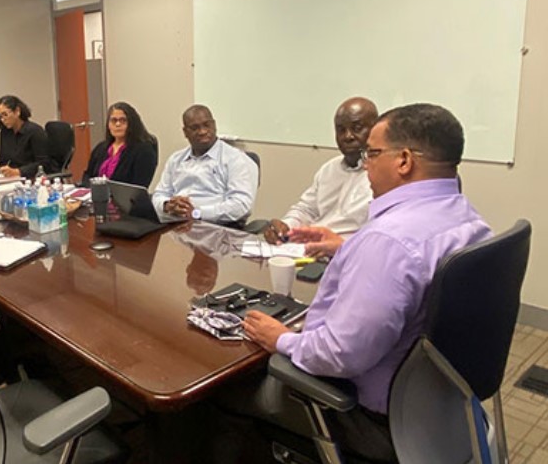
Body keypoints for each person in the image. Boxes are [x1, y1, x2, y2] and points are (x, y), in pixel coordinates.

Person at [224, 103, 492, 461]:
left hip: (371, 418)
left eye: (373, 153)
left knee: (226, 391)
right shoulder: (466, 217)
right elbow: (416, 263)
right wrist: (347, 247)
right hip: (442, 402)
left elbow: (340, 355)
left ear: (404, 161)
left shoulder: (388, 241)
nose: (366, 164)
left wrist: (282, 339)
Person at [263, 97, 378, 255]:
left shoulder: (384, 176)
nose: (348, 136)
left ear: (376, 129)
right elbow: (307, 210)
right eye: (340, 130)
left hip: (348, 254)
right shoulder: (329, 169)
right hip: (309, 252)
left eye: (357, 128)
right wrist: (286, 226)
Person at [151, 104, 257, 225]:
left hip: (215, 227)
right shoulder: (176, 159)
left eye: (207, 125)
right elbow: (159, 194)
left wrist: (197, 213)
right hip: (175, 224)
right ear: (185, 132)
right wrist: (167, 205)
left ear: (214, 125)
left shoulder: (235, 159)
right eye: (195, 128)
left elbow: (241, 205)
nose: (202, 131)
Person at [82, 101, 158, 188]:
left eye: (123, 120)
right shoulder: (100, 148)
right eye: (113, 120)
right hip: (95, 194)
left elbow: (138, 186)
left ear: (132, 123)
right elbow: (88, 175)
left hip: (125, 196)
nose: (117, 124)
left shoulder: (144, 150)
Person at [0, 95, 50, 179]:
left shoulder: (35, 131)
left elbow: (44, 164)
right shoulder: (5, 132)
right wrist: (5, 170)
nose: (2, 119)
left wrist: (19, 171)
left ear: (17, 111)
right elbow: (2, 160)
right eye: (0, 116)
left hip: (32, 178)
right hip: (12, 178)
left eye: (5, 115)